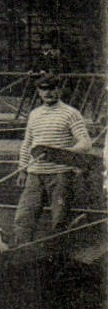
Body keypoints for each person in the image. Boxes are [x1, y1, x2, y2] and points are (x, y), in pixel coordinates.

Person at [13, 73, 94, 243]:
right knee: (23, 217)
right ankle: (21, 254)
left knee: (60, 219)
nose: (48, 93)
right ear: (39, 91)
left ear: (59, 89)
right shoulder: (34, 114)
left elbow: (85, 143)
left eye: (52, 88)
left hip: (60, 175)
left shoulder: (71, 113)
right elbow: (27, 144)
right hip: (35, 174)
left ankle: (58, 255)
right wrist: (22, 169)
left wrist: (61, 154)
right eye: (43, 89)